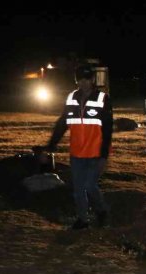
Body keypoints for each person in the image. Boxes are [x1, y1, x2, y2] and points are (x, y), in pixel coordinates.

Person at [44, 64, 113, 229]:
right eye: (80, 79)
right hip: (77, 153)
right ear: (76, 80)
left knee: (89, 186)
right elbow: (62, 123)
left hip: (95, 153)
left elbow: (108, 130)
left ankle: (101, 210)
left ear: (92, 80)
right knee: (78, 189)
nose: (83, 83)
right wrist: (51, 145)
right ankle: (83, 219)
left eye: (87, 79)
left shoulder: (103, 99)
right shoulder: (71, 98)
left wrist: (104, 156)